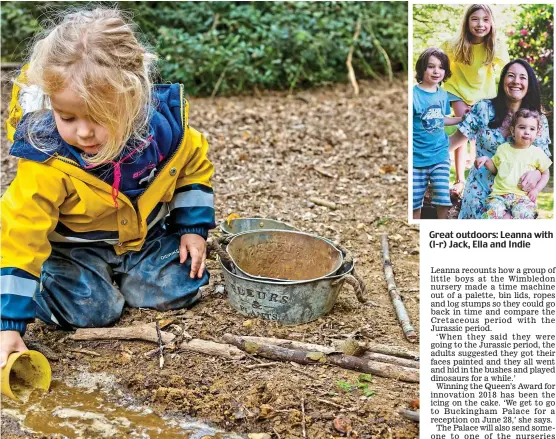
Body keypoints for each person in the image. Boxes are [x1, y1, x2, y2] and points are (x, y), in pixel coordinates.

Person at [0, 9, 216, 367]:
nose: (83, 132)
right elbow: (20, 235)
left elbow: (192, 168)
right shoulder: (47, 161)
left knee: (182, 286)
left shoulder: (163, 135)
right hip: (74, 248)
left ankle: (121, 275)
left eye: (100, 117)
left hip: (142, 238)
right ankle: (37, 287)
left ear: (132, 100)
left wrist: (192, 228)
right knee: (93, 310)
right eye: (67, 117)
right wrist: (8, 325)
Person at [449, 59, 552, 219]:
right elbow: (452, 142)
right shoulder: (483, 108)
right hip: (478, 199)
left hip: (519, 202)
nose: (516, 81)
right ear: (503, 80)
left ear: (529, 84)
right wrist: (420, 150)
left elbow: (543, 164)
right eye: (511, 76)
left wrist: (537, 175)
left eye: (522, 77)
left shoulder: (538, 120)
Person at [442, 4, 510, 196]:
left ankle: (474, 172)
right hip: (457, 89)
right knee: (465, 126)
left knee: (477, 132)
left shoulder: (495, 46)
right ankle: (458, 177)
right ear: (467, 22)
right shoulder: (453, 44)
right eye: (475, 19)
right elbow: (437, 60)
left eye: (485, 20)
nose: (480, 24)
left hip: (483, 93)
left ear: (491, 23)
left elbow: (509, 68)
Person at [413, 48, 463, 220]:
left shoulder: (443, 95)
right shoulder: (413, 95)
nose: (436, 71)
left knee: (443, 197)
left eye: (441, 67)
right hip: (417, 158)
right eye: (431, 66)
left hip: (440, 155)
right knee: (414, 201)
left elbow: (441, 119)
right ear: (422, 69)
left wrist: (460, 119)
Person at [475, 109, 551, 219]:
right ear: (512, 130)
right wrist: (486, 160)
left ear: (537, 133)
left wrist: (536, 189)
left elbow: (545, 174)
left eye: (532, 129)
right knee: (490, 215)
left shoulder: (537, 153)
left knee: (525, 216)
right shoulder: (503, 149)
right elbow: (496, 169)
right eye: (522, 127)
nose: (527, 132)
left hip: (522, 198)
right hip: (499, 196)